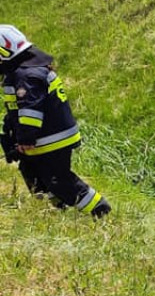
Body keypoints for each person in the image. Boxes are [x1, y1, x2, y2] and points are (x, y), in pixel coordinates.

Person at [1, 25, 110, 217]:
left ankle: (100, 210)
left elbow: (30, 113)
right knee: (32, 172)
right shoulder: (23, 72)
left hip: (51, 139)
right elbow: (16, 110)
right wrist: (10, 131)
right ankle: (55, 211)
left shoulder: (27, 76)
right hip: (43, 138)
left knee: (59, 179)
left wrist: (25, 139)